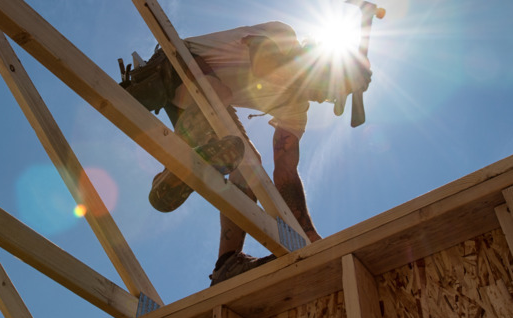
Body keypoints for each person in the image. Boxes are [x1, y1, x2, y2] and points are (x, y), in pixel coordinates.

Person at [120, 21, 371, 285]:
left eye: (330, 98)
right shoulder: (282, 37)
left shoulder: (295, 108)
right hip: (174, 65)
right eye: (327, 88)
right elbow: (265, 67)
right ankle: (175, 166)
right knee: (217, 93)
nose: (322, 98)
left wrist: (307, 233)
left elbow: (286, 172)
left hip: (200, 102)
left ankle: (226, 263)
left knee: (250, 164)